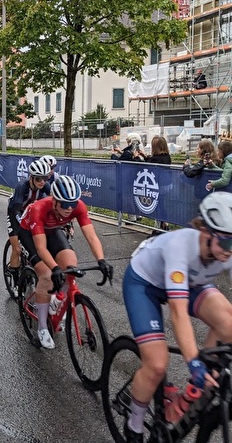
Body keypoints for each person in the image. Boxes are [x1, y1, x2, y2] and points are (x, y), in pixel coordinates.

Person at [120, 192, 232, 442]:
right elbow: (178, 313)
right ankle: (134, 424)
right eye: (226, 243)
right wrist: (192, 362)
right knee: (157, 364)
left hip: (190, 282)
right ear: (206, 233)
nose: (230, 250)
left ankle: (198, 387)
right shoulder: (180, 247)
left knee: (228, 322)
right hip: (144, 283)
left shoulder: (227, 249)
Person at [18, 175, 112, 349]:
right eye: (65, 204)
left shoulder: (78, 206)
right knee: (46, 275)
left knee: (71, 267)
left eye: (73, 204)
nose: (70, 209)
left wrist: (101, 261)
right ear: (54, 201)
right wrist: (54, 268)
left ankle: (57, 298)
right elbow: (41, 249)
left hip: (53, 231)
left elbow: (91, 237)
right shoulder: (39, 208)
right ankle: (42, 328)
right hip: (29, 234)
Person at [6, 160, 52, 287]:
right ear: (31, 178)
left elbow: (51, 207)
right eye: (38, 179)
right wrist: (23, 228)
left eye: (45, 178)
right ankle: (15, 282)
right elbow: (16, 210)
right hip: (15, 212)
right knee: (17, 249)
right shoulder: (22, 186)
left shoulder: (46, 186)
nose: (42, 182)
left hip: (31, 213)